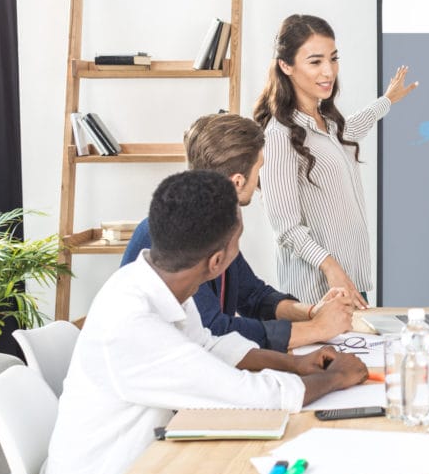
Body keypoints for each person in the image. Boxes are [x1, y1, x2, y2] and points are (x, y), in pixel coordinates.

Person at [37, 171, 368, 474]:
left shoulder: (154, 285)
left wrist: (295, 364)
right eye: (238, 241)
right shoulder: (134, 324)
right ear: (216, 262)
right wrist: (334, 378)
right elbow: (252, 396)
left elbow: (209, 347)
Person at [121, 113, 354, 351]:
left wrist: (312, 312)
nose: (260, 180)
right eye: (258, 169)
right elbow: (212, 331)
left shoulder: (216, 224)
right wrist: (316, 329)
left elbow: (253, 295)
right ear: (238, 182)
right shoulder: (173, 233)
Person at [254, 14, 417, 304]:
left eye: (333, 58)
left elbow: (354, 127)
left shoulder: (328, 124)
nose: (328, 71)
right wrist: (331, 268)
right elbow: (285, 227)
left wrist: (387, 100)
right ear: (286, 65)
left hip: (350, 280)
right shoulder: (279, 135)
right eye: (315, 62)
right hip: (318, 290)